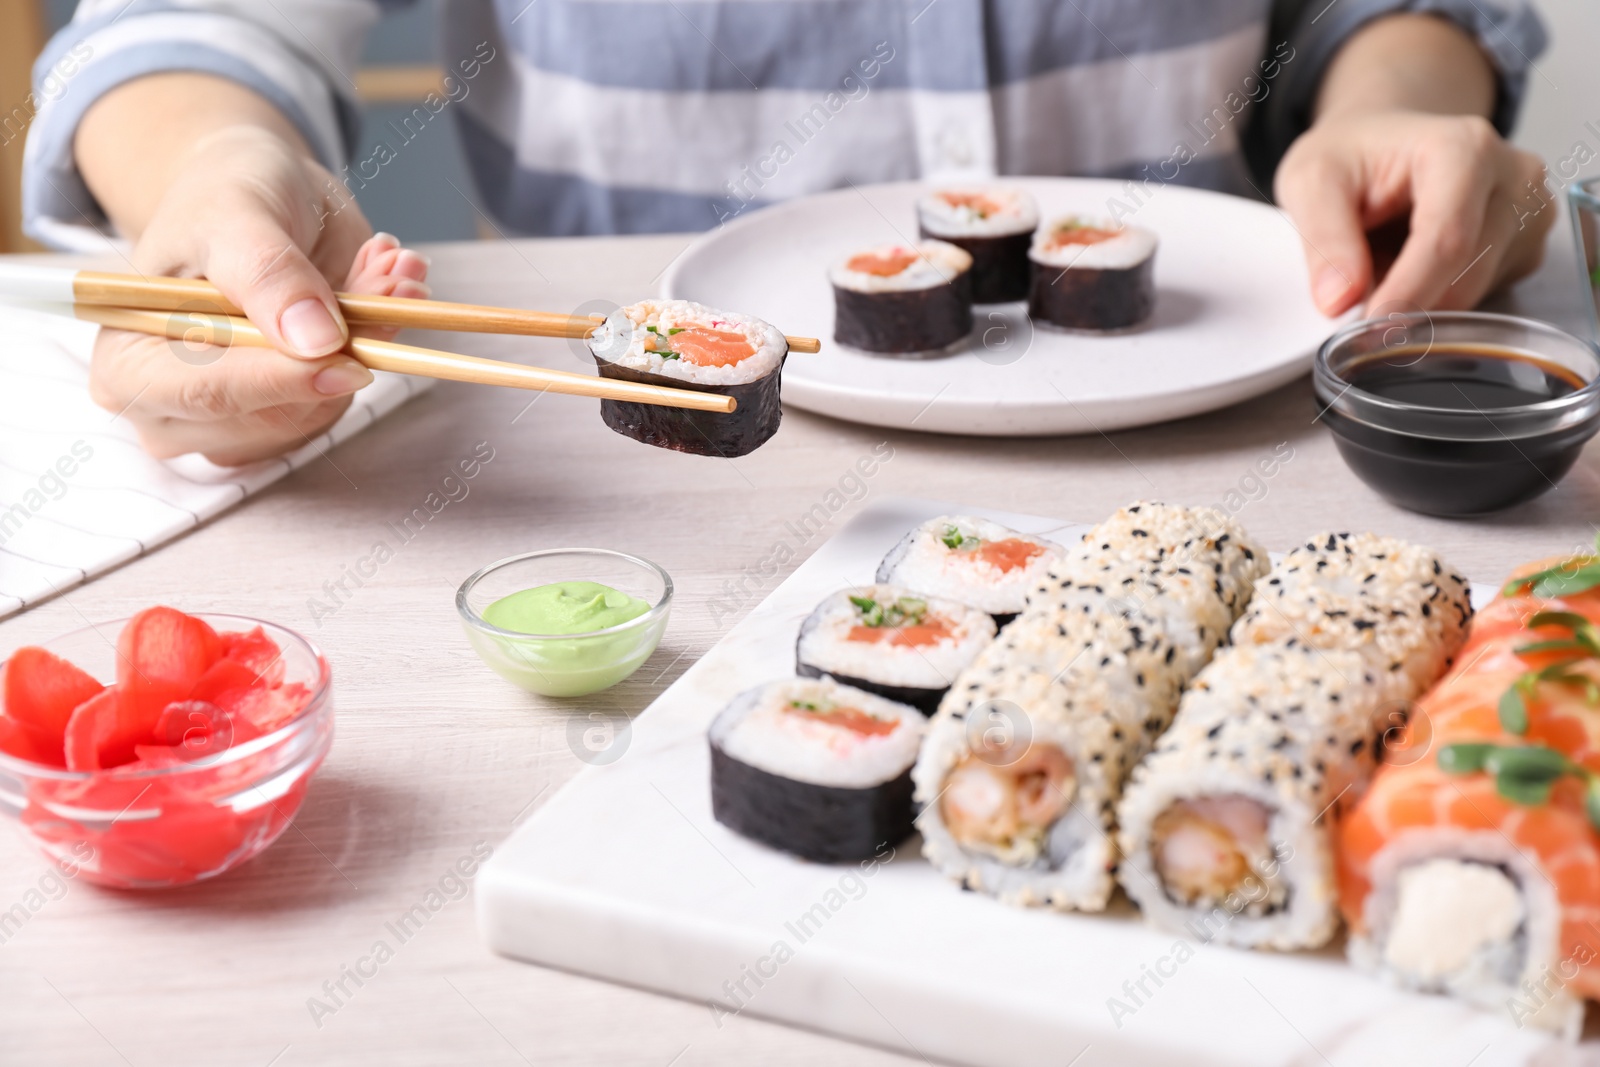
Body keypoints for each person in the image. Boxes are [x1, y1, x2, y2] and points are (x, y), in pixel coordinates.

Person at [23, 0, 1553, 465]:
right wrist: (213, 169)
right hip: (648, 463)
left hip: (1263, 413)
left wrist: (1390, 105)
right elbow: (185, 25)